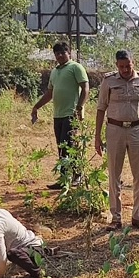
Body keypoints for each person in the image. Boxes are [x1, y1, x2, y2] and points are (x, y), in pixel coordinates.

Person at [94, 50, 139, 231]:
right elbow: (101, 108)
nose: (124, 69)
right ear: (117, 65)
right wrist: (97, 136)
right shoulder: (108, 81)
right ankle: (116, 218)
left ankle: (137, 216)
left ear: (134, 62)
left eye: (128, 65)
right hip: (114, 130)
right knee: (114, 175)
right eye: (121, 66)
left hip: (136, 130)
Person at [31, 42, 90, 187]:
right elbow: (50, 93)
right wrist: (36, 107)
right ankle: (64, 179)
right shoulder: (55, 71)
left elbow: (85, 87)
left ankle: (77, 176)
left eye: (62, 53)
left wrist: (79, 107)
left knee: (70, 145)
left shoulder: (75, 67)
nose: (59, 56)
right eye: (57, 53)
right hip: (58, 115)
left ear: (69, 53)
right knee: (62, 146)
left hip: (71, 114)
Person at [0, 199, 48, 278]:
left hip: (31, 249)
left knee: (13, 254)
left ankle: (36, 273)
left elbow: (1, 258)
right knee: (13, 253)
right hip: (32, 246)